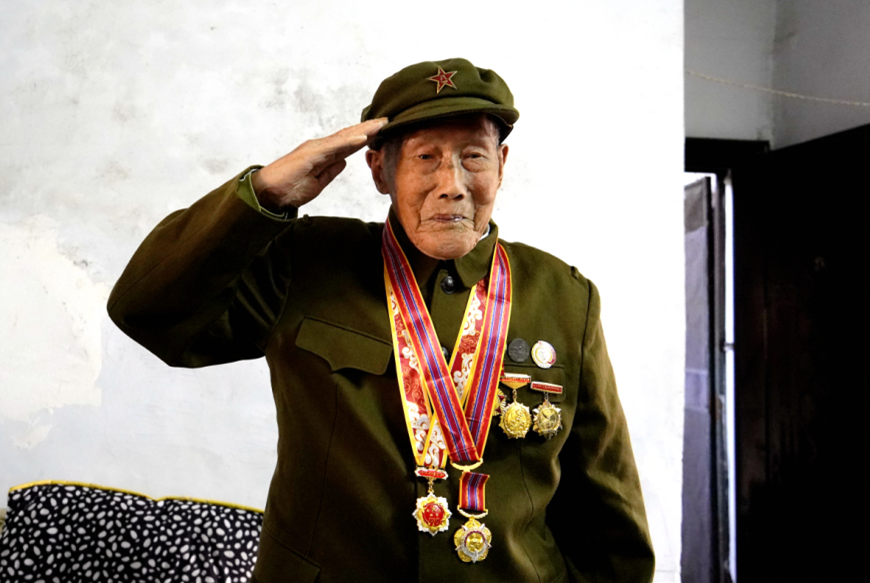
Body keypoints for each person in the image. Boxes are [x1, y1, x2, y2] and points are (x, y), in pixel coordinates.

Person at [108, 58, 654, 582]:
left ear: (502, 164)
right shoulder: (307, 261)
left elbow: (606, 508)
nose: (452, 183)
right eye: (425, 157)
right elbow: (146, 311)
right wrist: (264, 194)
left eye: (473, 157)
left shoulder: (565, 296)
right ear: (379, 170)